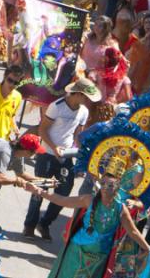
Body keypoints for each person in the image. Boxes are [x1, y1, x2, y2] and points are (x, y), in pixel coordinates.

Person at [30, 155, 149, 278]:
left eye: (112, 185)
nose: (108, 188)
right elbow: (63, 200)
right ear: (100, 185)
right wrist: (41, 192)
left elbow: (133, 231)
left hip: (99, 256)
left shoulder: (120, 209)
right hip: (76, 251)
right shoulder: (88, 199)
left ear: (118, 187)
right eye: (106, 184)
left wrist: (148, 248)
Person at [23, 77, 99, 240]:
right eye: (85, 97)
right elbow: (42, 130)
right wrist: (54, 147)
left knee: (64, 190)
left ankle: (45, 223)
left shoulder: (84, 112)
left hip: (66, 156)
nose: (86, 101)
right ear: (77, 93)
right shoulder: (56, 107)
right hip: (47, 154)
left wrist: (78, 152)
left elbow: (78, 134)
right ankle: (29, 225)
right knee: (40, 189)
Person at [128, 12, 150, 95]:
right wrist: (145, 38)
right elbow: (132, 46)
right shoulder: (136, 33)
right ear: (143, 24)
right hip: (132, 68)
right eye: (146, 22)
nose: (148, 25)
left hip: (145, 73)